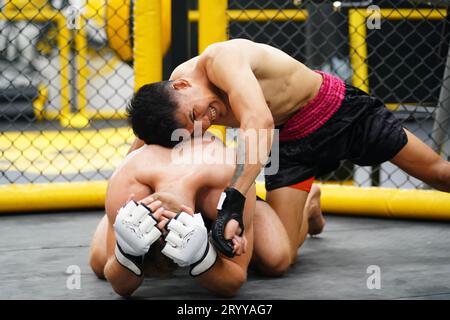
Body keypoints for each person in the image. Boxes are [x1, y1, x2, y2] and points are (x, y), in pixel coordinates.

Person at [126, 38, 450, 262]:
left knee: (438, 173)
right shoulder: (174, 102)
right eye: (194, 126)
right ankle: (310, 204)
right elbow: (146, 143)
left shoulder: (221, 59)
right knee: (278, 259)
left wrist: (233, 199)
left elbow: (258, 118)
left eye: (196, 115)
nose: (205, 124)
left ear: (182, 86)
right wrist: (123, 196)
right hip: (287, 142)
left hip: (336, 110)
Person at [89, 133, 326, 297]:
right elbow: (121, 287)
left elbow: (234, 280)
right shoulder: (132, 184)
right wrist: (127, 249)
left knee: (277, 260)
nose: (165, 233)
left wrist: (201, 255)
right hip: (145, 189)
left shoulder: (222, 178)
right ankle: (118, 226)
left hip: (228, 197)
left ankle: (308, 205)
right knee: (102, 263)